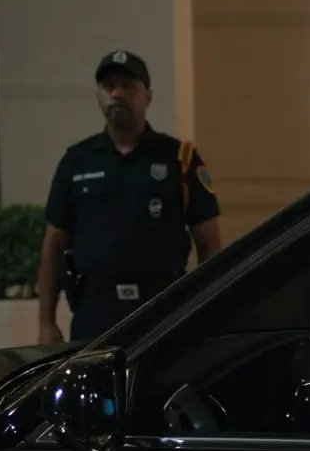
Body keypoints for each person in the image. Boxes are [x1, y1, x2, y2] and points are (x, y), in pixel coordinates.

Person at [37, 50, 222, 344]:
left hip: (162, 308)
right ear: (99, 96)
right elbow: (53, 246)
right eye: (108, 87)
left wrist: (204, 310)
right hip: (95, 312)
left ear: (147, 96)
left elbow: (209, 244)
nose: (117, 94)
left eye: (127, 86)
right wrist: (46, 322)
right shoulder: (77, 161)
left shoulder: (180, 159)